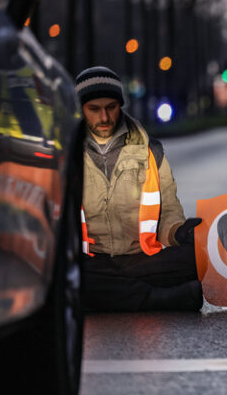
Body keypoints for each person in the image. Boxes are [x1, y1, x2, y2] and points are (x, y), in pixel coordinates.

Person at [76, 66, 204, 311]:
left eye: (111, 107)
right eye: (94, 109)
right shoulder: (63, 155)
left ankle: (113, 295)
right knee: (66, 276)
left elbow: (167, 213)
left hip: (141, 260)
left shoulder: (150, 151)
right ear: (80, 110)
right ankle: (156, 298)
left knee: (198, 257)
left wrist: (180, 232)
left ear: (121, 106)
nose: (104, 117)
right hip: (90, 262)